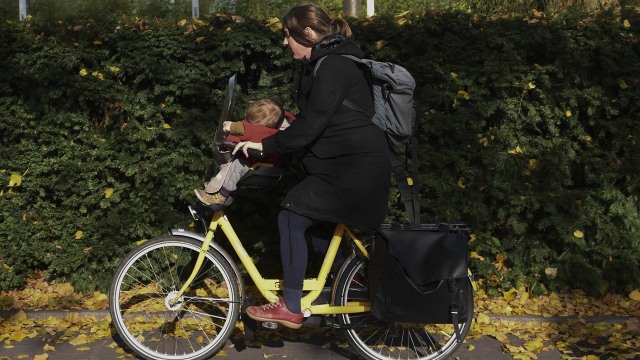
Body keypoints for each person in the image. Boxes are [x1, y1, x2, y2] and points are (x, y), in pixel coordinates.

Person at [236, 3, 391, 329]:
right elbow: (312, 122)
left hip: (354, 172)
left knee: (291, 215)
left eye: (287, 35)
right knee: (317, 231)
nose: (284, 43)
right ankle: (341, 291)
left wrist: (265, 145)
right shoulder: (322, 64)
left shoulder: (333, 66)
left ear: (306, 33)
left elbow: (311, 127)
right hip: (349, 168)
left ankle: (291, 305)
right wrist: (273, 137)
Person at [195, 98, 289, 206]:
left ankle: (221, 196)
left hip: (260, 163)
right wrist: (225, 139)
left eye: (255, 123)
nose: (250, 124)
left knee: (237, 166)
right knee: (227, 161)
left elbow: (253, 131)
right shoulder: (261, 126)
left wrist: (236, 128)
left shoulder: (272, 133)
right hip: (250, 157)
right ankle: (215, 186)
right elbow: (247, 129)